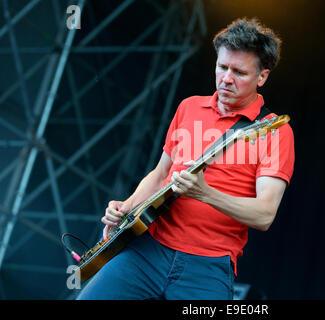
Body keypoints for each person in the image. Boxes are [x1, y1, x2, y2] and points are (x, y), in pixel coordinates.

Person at [77, 17, 295, 300]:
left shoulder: (275, 131)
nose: (226, 79)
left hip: (207, 265)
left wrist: (205, 193)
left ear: (262, 77)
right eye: (222, 67)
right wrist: (125, 208)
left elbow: (264, 215)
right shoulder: (189, 106)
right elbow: (159, 174)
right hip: (147, 250)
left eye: (239, 72)